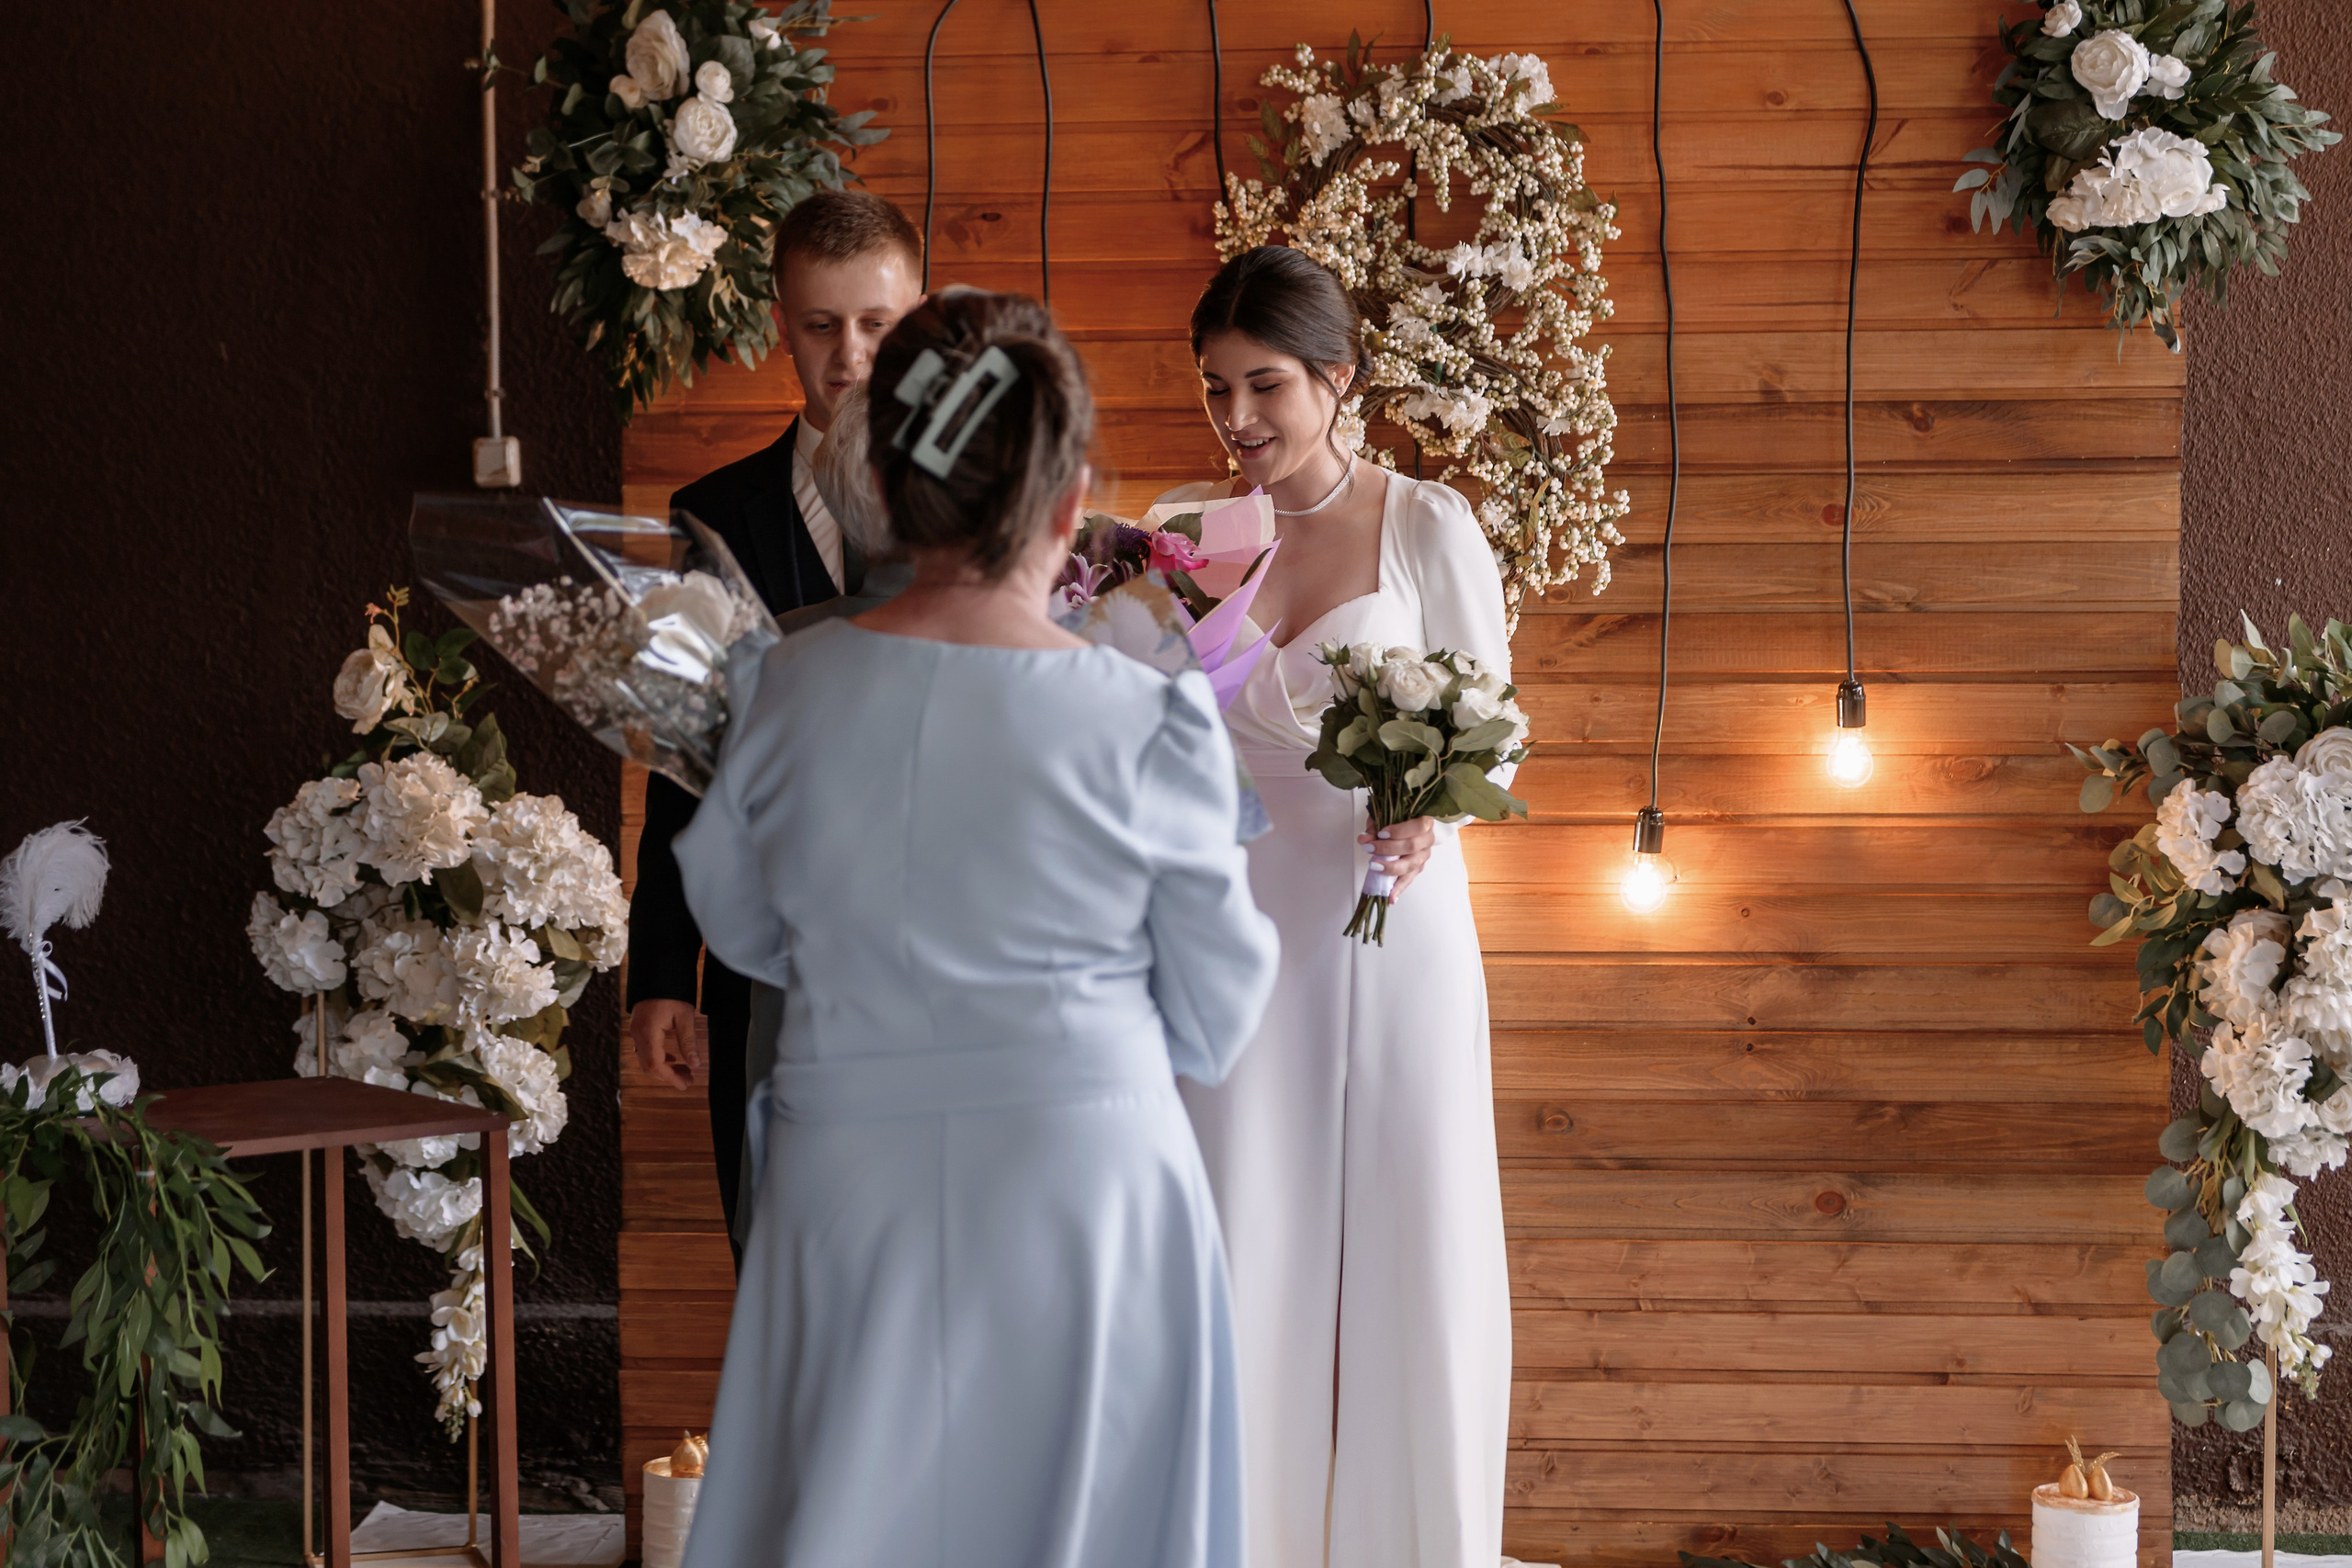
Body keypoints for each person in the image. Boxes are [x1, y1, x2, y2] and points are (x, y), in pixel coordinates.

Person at [671, 288, 1279, 1568]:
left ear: (880, 487)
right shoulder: (1145, 715)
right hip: (1085, 1181)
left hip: (849, 1174)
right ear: (1068, 510)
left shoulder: (776, 691)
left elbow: (740, 927)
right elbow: (1220, 1011)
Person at [1160, 245, 1514, 1568]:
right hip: (1235, 920)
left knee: (1410, 1230)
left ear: (1338, 378)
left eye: (1264, 385)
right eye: (1216, 389)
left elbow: (1497, 724)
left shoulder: (1426, 523)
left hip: (1387, 912)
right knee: (1243, 1216)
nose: (1238, 417)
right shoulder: (1183, 532)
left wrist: (1437, 810)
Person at [627, 189, 923, 1259]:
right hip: (768, 964)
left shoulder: (991, 509)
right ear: (781, 325)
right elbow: (684, 756)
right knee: (780, 1270)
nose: (851, 356)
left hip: (938, 967)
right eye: (821, 325)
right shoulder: (712, 515)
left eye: (878, 324)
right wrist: (664, 971)